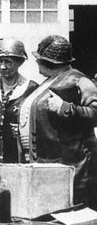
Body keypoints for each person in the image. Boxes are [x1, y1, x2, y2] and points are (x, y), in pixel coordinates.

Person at [18, 35, 97, 208]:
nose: (37, 63)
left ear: (49, 62)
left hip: (71, 169)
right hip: (49, 166)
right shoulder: (51, 80)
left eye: (39, 60)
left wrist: (64, 107)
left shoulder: (78, 80)